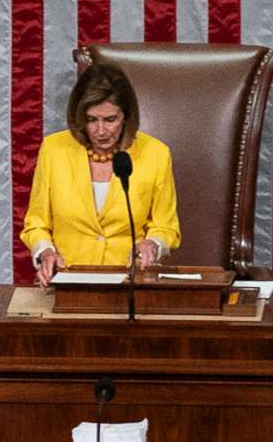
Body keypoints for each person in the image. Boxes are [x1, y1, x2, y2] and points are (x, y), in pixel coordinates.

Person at [22, 59, 181, 281]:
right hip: (69, 279)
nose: (100, 130)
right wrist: (45, 252)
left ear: (126, 116)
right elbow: (36, 224)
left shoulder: (156, 154)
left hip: (129, 282)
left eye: (110, 119)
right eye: (91, 120)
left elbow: (166, 227)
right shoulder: (53, 149)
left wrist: (152, 244)